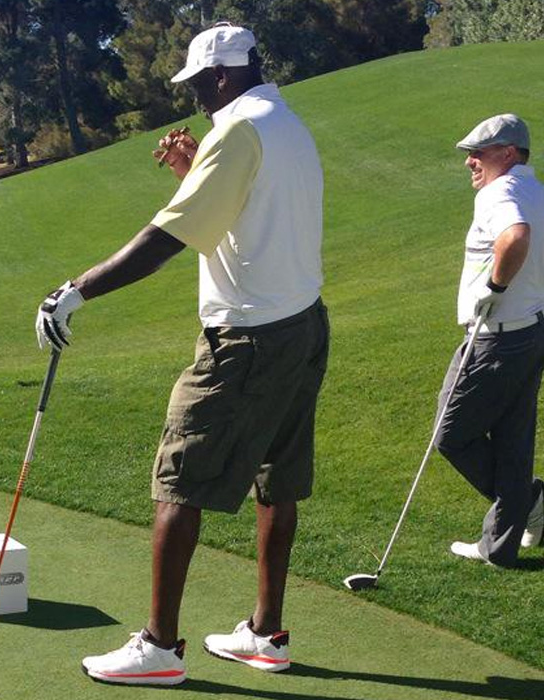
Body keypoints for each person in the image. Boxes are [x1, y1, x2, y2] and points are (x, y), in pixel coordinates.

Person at [35, 23, 329, 684]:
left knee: (178, 478)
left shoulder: (237, 132)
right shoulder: (285, 123)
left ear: (222, 74)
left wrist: (74, 292)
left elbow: (165, 238)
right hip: (304, 328)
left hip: (246, 342)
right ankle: (265, 633)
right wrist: (197, 170)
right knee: (276, 482)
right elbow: (249, 214)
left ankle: (160, 647)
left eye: (198, 83)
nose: (194, 97)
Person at [435, 113, 544, 567]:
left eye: (477, 153)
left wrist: (494, 288)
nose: (470, 162)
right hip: (531, 330)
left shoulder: (500, 194)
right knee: (514, 439)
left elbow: (515, 238)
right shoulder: (534, 190)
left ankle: (530, 504)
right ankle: (502, 544)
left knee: (450, 433)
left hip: (498, 339)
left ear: (508, 153)